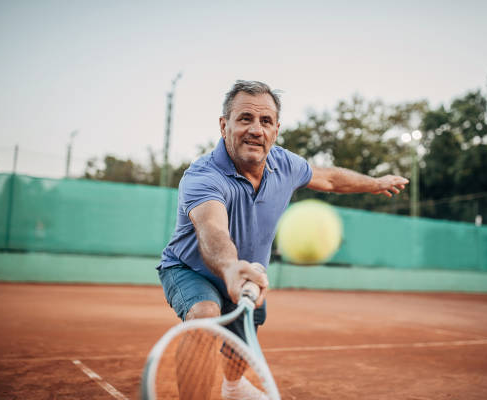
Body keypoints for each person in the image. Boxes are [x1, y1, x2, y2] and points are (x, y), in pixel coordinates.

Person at [158, 80, 409, 399]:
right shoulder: (202, 176)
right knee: (205, 315)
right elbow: (212, 229)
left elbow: (330, 179)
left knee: (240, 347)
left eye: (265, 121)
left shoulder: (285, 164)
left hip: (247, 272)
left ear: (276, 129)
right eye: (245, 118)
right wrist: (231, 267)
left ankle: (233, 388)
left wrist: (374, 183)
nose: (255, 130)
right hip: (190, 269)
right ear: (224, 126)